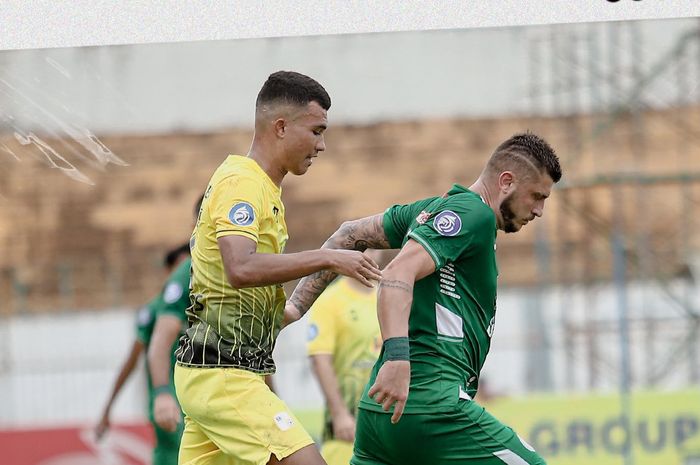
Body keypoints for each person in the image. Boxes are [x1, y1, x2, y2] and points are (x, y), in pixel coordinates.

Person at [286, 132, 562, 465]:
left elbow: (348, 235)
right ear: (506, 181)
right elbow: (397, 274)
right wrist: (398, 359)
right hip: (428, 403)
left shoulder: (432, 211)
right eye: (536, 196)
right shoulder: (474, 214)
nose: (540, 210)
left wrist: (293, 308)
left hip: (380, 412)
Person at [174, 70, 382, 465]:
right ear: (282, 127)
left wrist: (333, 255)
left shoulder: (264, 188)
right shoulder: (243, 184)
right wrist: (328, 257)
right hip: (223, 378)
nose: (321, 145)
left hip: (216, 375)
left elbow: (268, 305)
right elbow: (240, 267)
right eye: (317, 131)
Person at [94, 242, 190, 447]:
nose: (187, 273)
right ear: (169, 272)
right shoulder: (155, 310)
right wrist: (107, 409)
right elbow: (132, 360)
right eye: (181, 267)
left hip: (199, 397)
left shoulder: (206, 305)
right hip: (169, 398)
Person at [306, 249, 391, 465]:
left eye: (375, 245)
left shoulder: (391, 297)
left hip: (389, 424)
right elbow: (319, 360)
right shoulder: (330, 301)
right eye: (364, 247)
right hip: (347, 429)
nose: (370, 253)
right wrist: (339, 414)